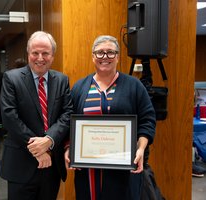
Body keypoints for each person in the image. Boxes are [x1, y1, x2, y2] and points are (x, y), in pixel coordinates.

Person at [64, 35, 156, 200]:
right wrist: (69, 148)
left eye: (110, 53)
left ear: (118, 56)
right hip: (88, 170)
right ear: (93, 57)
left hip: (122, 170)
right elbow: (69, 123)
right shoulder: (79, 87)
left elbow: (147, 120)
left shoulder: (134, 86)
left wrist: (141, 148)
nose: (105, 57)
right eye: (100, 53)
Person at [0, 31, 73, 200]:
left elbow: (67, 113)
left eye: (45, 53)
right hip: (21, 164)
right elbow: (9, 116)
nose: (40, 58)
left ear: (52, 56)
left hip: (51, 165)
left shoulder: (62, 80)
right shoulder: (11, 78)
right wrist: (38, 150)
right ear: (28, 54)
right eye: (35, 53)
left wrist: (49, 140)